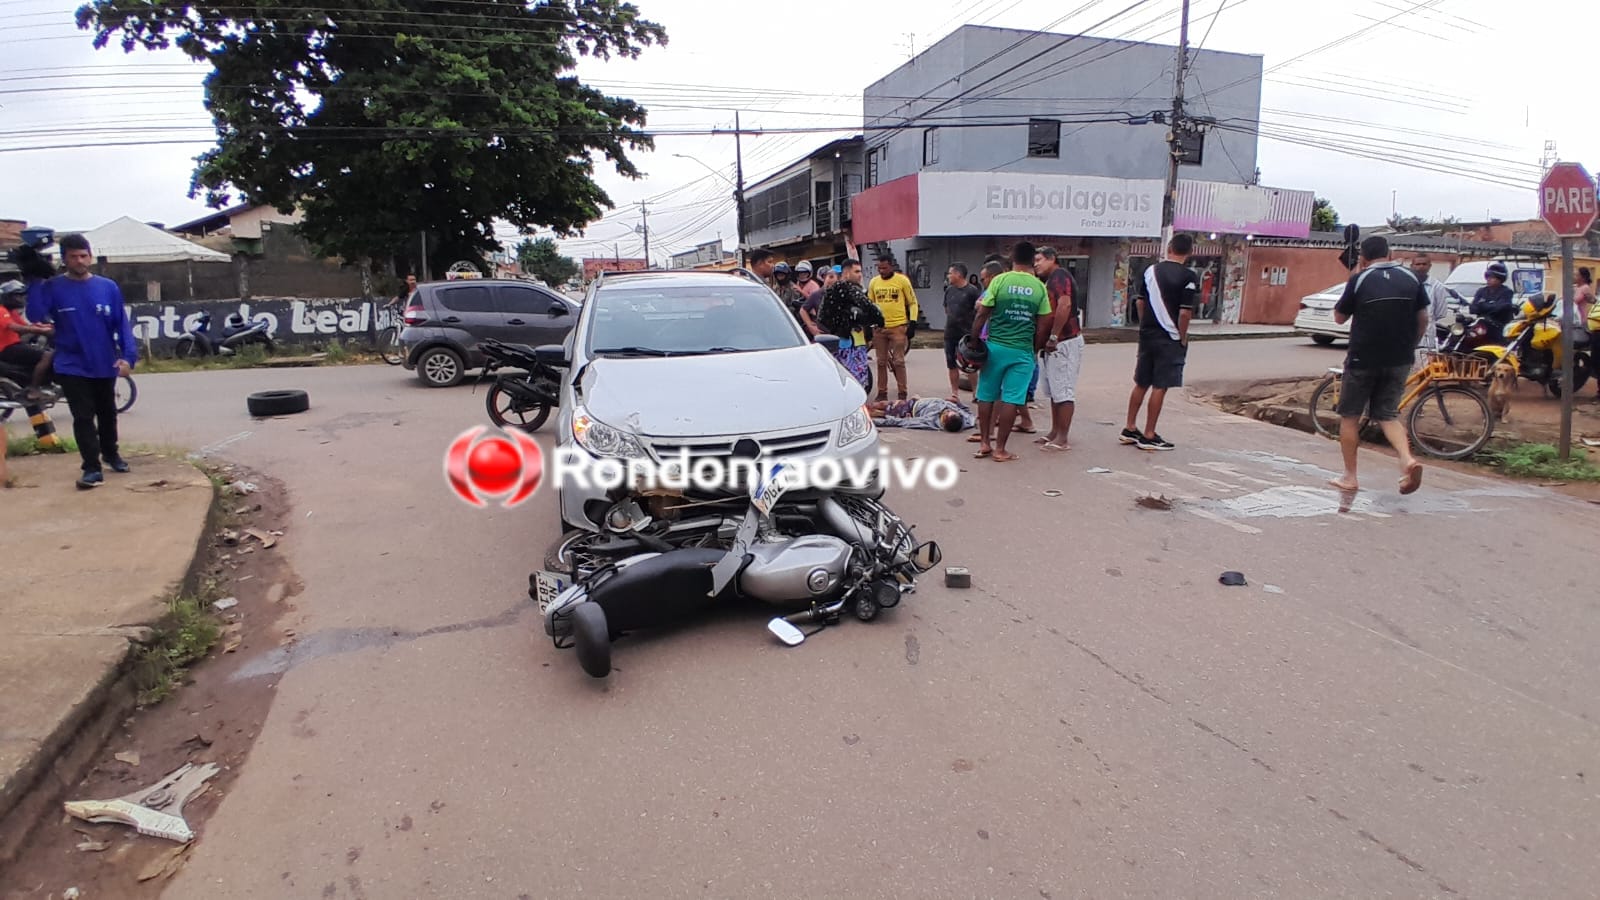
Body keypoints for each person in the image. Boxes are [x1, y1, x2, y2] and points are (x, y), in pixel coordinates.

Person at [22, 234, 139, 489]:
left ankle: (111, 454)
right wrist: (33, 281)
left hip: (104, 363)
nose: (79, 261)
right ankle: (92, 468)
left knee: (107, 414)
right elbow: (35, 314)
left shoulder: (107, 287)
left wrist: (129, 358)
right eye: (73, 257)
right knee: (83, 416)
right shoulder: (53, 287)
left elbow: (122, 324)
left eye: (83, 255)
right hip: (71, 364)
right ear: (64, 259)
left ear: (90, 256)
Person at [1328, 236, 1429, 495]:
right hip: (1399, 359)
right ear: (1391, 253)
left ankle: (1350, 477)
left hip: (1363, 358)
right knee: (1387, 414)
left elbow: (1339, 318)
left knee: (1350, 417)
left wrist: (1353, 278)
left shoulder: (1359, 279)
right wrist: (1410, 347)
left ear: (1363, 257)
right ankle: (1407, 460)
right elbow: (1423, 318)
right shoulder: (1411, 278)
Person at [971, 242, 1050, 462]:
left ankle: (985, 443)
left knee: (986, 395)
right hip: (1022, 351)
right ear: (1032, 260)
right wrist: (1034, 349)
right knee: (1012, 399)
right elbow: (1044, 324)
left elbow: (982, 314)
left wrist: (974, 342)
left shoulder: (999, 281)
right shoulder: (1039, 287)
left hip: (995, 347)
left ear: (1012, 258)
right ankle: (1001, 450)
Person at [1121, 234, 1198, 451]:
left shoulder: (1150, 271)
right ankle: (1149, 434)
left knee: (1141, 382)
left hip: (1147, 334)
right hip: (1169, 337)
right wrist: (1181, 336)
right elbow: (1184, 313)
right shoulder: (1189, 277)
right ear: (1189, 252)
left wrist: (1145, 325)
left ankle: (1129, 428)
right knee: (1160, 385)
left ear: (1169, 248)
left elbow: (1140, 303)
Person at [1033, 247, 1084, 450]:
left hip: (1065, 341)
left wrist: (1053, 336)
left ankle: (1062, 437)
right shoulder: (1050, 280)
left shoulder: (1060, 277)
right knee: (1055, 391)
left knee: (1063, 391)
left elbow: (1064, 305)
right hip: (1054, 343)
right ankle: (1054, 431)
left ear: (1052, 259)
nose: (1036, 264)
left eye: (1039, 260)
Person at [817, 259, 880, 391]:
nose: (860, 275)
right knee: (842, 384)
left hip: (858, 345)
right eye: (856, 271)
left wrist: (868, 334)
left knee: (858, 384)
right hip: (841, 346)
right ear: (846, 274)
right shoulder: (834, 294)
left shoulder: (860, 292)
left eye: (860, 272)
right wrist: (839, 329)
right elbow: (822, 320)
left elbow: (869, 318)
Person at [867, 255, 918, 401]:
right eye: (879, 268)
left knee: (899, 361)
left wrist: (913, 322)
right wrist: (870, 325)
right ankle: (882, 392)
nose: (882, 271)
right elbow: (870, 304)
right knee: (881, 362)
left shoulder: (902, 281)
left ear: (891, 267)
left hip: (898, 327)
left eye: (884, 268)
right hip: (879, 329)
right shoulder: (874, 282)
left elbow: (913, 303)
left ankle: (903, 392)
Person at [0, 280, 55, 398]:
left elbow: (27, 325)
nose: (22, 298)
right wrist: (39, 330)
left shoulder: (12, 312)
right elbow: (15, 327)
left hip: (15, 345)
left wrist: (49, 326)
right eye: (17, 295)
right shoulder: (1, 310)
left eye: (22, 295)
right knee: (48, 355)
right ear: (7, 297)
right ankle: (33, 389)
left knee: (43, 348)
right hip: (6, 349)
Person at [942, 264, 980, 402]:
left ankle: (976, 392)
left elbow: (978, 311)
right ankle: (954, 393)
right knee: (951, 363)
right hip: (950, 332)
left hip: (966, 334)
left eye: (950, 273)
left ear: (958, 274)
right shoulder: (949, 290)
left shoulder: (972, 291)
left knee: (970, 365)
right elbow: (946, 308)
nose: (948, 276)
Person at [1408, 252, 1453, 357]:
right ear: (1412, 266)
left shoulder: (1437, 286)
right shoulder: (1407, 284)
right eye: (1418, 264)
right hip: (1408, 335)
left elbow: (1440, 313)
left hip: (1427, 337)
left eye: (1424, 264)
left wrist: (1426, 319)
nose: (1421, 267)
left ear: (1429, 266)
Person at [868, 396, 974, 432]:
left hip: (910, 408)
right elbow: (968, 412)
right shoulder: (965, 420)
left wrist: (876, 423)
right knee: (880, 407)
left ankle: (862, 418)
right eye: (952, 411)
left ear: (944, 420)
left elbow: (903, 422)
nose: (948, 410)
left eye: (947, 413)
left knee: (881, 406)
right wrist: (958, 402)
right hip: (920, 401)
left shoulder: (930, 421)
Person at [1470, 261, 1517, 331]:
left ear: (1500, 279)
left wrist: (1482, 305)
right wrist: (1489, 306)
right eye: (1487, 277)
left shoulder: (1506, 292)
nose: (1488, 279)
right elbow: (1472, 309)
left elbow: (1499, 308)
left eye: (1492, 277)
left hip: (1499, 327)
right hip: (1482, 327)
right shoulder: (1481, 291)